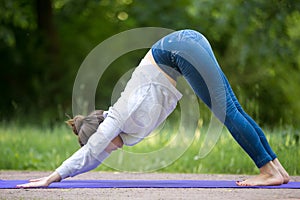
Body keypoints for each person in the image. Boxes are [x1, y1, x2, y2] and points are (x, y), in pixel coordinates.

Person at [17, 29, 290, 188]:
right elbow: (91, 158)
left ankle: (268, 170)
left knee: (227, 111)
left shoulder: (119, 114)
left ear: (103, 131)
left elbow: (92, 149)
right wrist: (54, 178)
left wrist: (51, 174)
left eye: (104, 144)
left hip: (177, 50)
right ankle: (277, 169)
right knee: (231, 108)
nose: (107, 151)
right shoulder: (116, 133)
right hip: (183, 47)